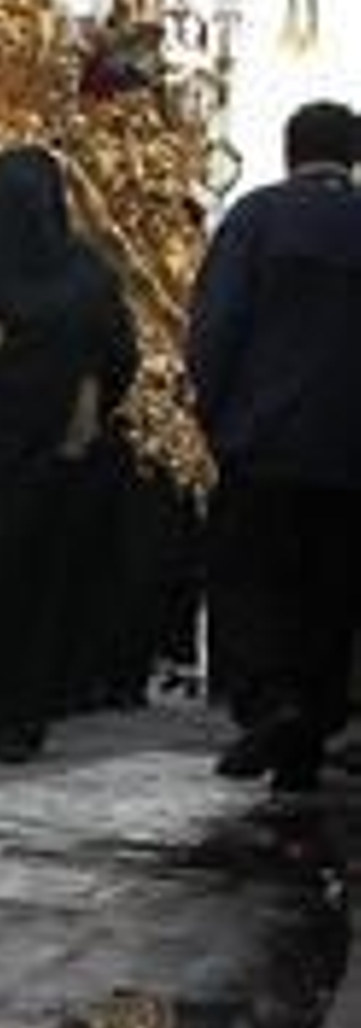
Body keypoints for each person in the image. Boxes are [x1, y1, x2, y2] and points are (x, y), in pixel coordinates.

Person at [0, 144, 138, 760]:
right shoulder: (86, 273)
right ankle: (17, 719)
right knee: (36, 588)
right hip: (51, 455)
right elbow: (121, 356)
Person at [187, 98, 361, 792]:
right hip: (350, 452)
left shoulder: (257, 218)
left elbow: (218, 321)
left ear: (290, 151)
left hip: (264, 439)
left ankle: (271, 700)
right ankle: (306, 740)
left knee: (251, 580)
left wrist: (216, 414)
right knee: (333, 593)